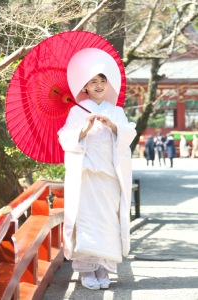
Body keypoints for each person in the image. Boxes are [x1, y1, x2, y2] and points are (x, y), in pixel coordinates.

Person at [58, 48, 136, 290]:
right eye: (94, 81)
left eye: (103, 81)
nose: (100, 85)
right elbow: (65, 138)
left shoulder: (117, 111)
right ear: (85, 87)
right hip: (87, 177)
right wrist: (84, 127)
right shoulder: (76, 111)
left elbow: (128, 135)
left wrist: (113, 126)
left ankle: (103, 269)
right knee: (88, 222)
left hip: (110, 177)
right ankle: (87, 272)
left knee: (107, 224)